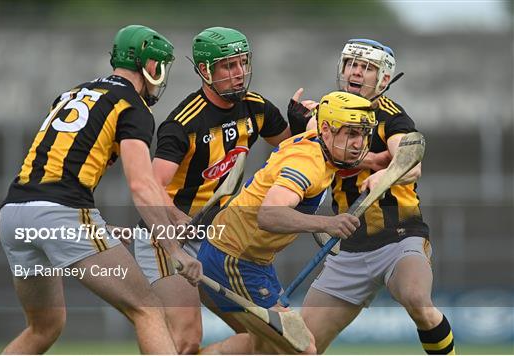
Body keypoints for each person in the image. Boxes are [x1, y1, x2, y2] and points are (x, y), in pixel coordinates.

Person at [0, 25, 201, 354]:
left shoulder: (73, 94)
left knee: (44, 326)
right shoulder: (133, 107)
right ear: (151, 66)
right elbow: (141, 183)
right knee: (147, 308)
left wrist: (101, 230)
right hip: (60, 215)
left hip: (14, 216)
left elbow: (62, 167)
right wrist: (174, 251)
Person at [133, 26, 315, 354]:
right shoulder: (183, 124)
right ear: (205, 71)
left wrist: (301, 128)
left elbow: (292, 150)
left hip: (216, 240)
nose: (240, 73)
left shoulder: (256, 108)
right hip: (166, 236)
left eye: (243, 63)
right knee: (186, 339)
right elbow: (153, 185)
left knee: (267, 340)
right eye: (229, 66)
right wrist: (176, 221)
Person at [301, 39, 456, 355]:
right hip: (350, 249)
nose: (356, 72)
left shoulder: (392, 117)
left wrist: (384, 175)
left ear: (383, 79)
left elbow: (411, 163)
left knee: (417, 300)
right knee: (300, 345)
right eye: (352, 64)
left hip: (399, 238)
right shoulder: (324, 116)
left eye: (367, 68)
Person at [196, 91, 377, 354]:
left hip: (248, 260)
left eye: (363, 134)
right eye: (351, 134)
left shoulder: (317, 140)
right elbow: (269, 214)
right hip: (233, 258)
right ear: (327, 130)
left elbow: (316, 121)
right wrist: (326, 224)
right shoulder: (307, 164)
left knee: (262, 347)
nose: (359, 143)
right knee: (301, 349)